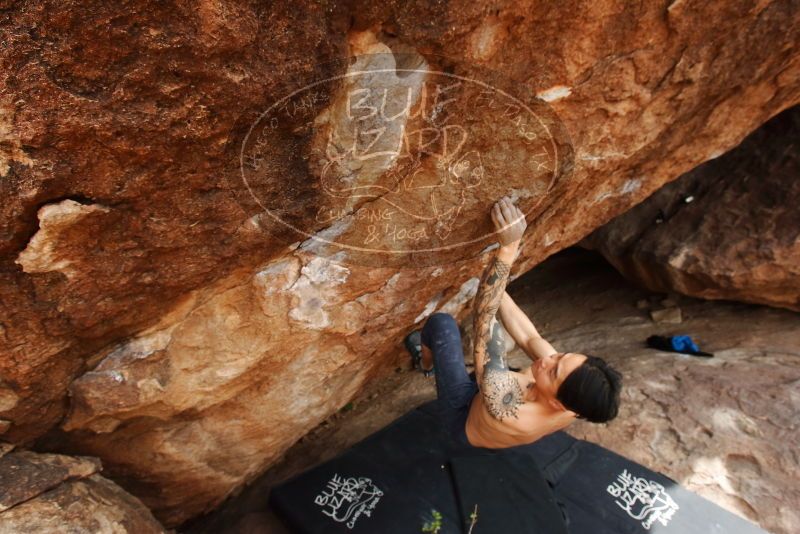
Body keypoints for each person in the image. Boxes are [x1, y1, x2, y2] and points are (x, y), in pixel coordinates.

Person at [405, 196, 622, 449]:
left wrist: (508, 250)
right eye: (561, 356)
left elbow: (485, 323)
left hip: (462, 416)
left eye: (553, 371)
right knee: (508, 361)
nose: (548, 359)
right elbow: (529, 337)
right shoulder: (575, 397)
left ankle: (426, 364)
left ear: (558, 405)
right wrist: (490, 273)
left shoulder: (508, 408)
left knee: (441, 325)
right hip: (489, 396)